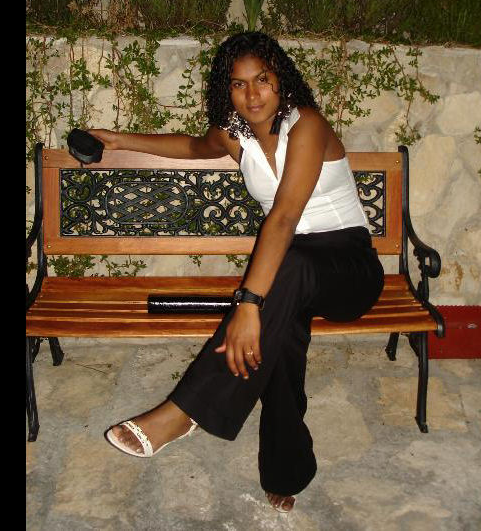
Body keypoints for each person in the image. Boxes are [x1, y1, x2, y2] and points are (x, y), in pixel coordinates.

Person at [90, 31, 384, 513]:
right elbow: (191, 147)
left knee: (282, 279)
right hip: (290, 270)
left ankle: (184, 412)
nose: (252, 94)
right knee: (278, 340)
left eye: (262, 79)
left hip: (348, 267)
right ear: (226, 90)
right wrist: (120, 139)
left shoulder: (307, 124)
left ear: (280, 78)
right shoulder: (233, 134)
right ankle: (287, 471)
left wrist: (248, 304)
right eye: (239, 84)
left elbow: (284, 217)